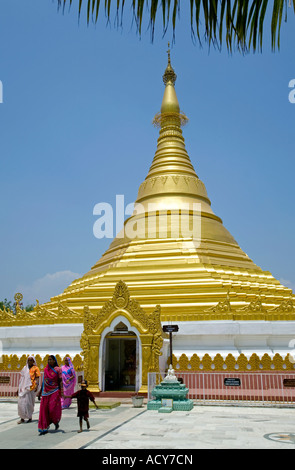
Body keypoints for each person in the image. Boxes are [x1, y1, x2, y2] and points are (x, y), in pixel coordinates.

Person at [37, 355, 64, 435]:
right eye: (48, 360)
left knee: (52, 409)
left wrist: (61, 391)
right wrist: (40, 392)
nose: (49, 361)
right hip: (45, 392)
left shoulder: (58, 370)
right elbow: (44, 381)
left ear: (54, 361)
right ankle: (44, 427)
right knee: (44, 410)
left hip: (55, 390)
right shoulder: (46, 369)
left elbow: (60, 381)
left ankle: (55, 421)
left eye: (50, 360)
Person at [17, 355, 40, 424]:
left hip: (31, 388)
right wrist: (18, 388)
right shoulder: (24, 368)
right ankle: (22, 418)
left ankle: (30, 417)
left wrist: (36, 385)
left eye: (31, 360)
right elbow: (22, 378)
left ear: (33, 361)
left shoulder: (35, 368)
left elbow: (37, 377)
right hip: (23, 388)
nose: (29, 361)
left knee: (29, 403)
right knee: (21, 403)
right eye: (28, 360)